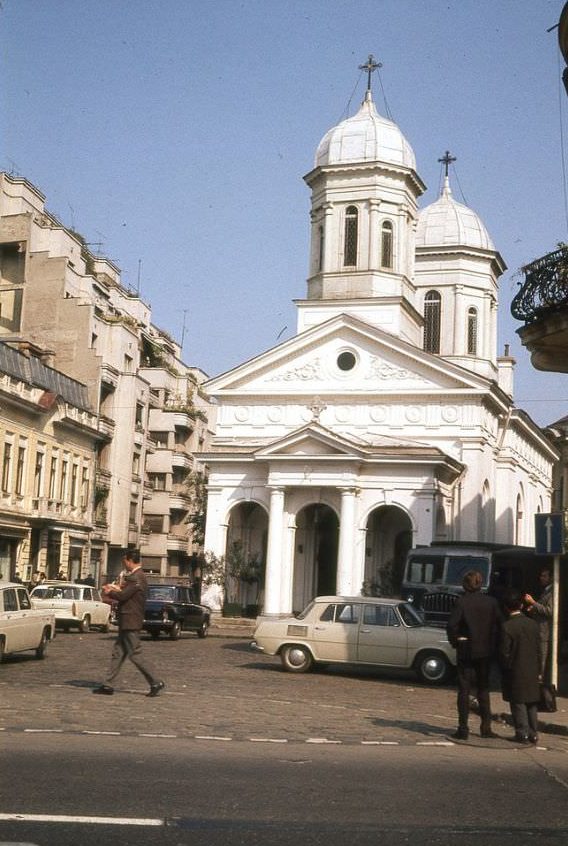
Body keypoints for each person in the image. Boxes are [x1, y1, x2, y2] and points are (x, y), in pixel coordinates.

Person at [93, 550, 164, 697]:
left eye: (125, 561)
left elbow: (123, 596)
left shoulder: (136, 577)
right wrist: (115, 589)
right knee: (118, 653)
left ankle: (155, 681)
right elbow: (127, 592)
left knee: (135, 654)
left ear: (130, 560)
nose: (124, 564)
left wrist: (109, 591)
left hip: (130, 619)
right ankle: (107, 684)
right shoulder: (138, 577)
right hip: (129, 619)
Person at [446, 569, 502, 740]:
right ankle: (486, 727)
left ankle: (463, 728)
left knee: (464, 690)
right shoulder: (491, 602)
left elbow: (451, 626)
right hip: (485, 651)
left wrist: (456, 641)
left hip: (466, 650)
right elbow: (499, 625)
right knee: (483, 689)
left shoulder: (462, 603)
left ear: (465, 585)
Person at [500, 588, 542, 745]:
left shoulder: (507, 627)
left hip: (515, 669)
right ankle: (534, 733)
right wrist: (539, 669)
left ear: (506, 607)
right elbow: (539, 650)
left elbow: (504, 652)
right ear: (522, 606)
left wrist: (505, 668)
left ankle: (522, 732)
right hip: (532, 668)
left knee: (518, 702)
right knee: (531, 702)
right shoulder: (533, 625)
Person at [523, 568, 553, 679]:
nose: (541, 578)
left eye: (544, 576)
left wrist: (533, 603)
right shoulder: (546, 590)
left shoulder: (552, 592)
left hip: (545, 630)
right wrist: (534, 608)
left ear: (551, 578)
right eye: (541, 575)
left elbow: (550, 611)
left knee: (543, 657)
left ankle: (542, 681)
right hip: (540, 628)